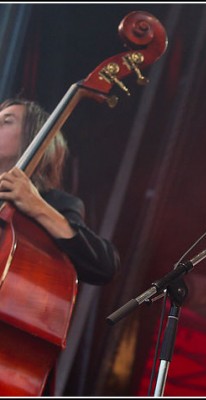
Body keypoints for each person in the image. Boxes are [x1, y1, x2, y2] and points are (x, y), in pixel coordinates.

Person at [0, 98, 120, 393]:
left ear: (33, 136)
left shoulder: (55, 205)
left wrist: (35, 205)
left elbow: (104, 265)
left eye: (7, 121)